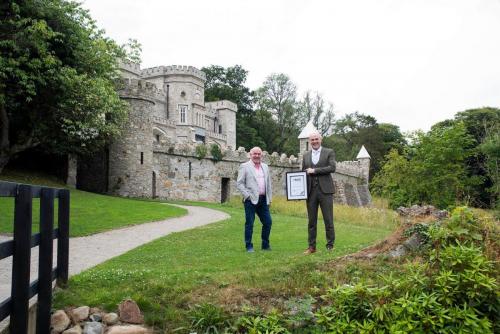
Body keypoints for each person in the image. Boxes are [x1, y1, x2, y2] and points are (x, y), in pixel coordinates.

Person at [302, 131, 336, 254]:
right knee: (311, 221)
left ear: (321, 140)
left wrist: (314, 170)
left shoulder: (329, 152)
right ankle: (312, 247)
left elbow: (332, 168)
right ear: (309, 141)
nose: (314, 141)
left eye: (316, 139)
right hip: (311, 192)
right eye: (312, 140)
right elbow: (303, 173)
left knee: (328, 220)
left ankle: (330, 246)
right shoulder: (305, 155)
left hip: (325, 191)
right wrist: (299, 191)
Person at [236, 147, 273, 252]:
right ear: (250, 155)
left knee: (268, 222)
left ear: (261, 155)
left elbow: (268, 184)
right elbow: (239, 183)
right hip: (250, 200)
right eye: (254, 154)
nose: (257, 156)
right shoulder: (245, 166)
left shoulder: (265, 167)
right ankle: (249, 246)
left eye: (259, 154)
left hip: (263, 199)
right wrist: (247, 195)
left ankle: (265, 245)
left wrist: (269, 198)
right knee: (250, 223)